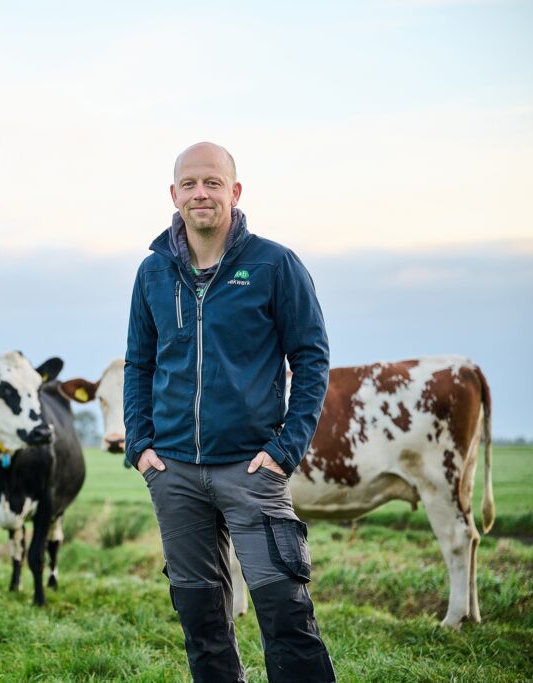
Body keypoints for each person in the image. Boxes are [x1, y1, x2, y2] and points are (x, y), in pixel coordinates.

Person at [124, 142, 335, 682]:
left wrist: (285, 449)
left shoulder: (274, 265)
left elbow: (311, 358)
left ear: (234, 192)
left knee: (286, 615)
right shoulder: (152, 273)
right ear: (174, 195)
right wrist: (140, 445)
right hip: (174, 472)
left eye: (212, 183)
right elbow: (139, 363)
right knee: (202, 623)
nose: (201, 193)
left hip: (251, 470)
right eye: (190, 184)